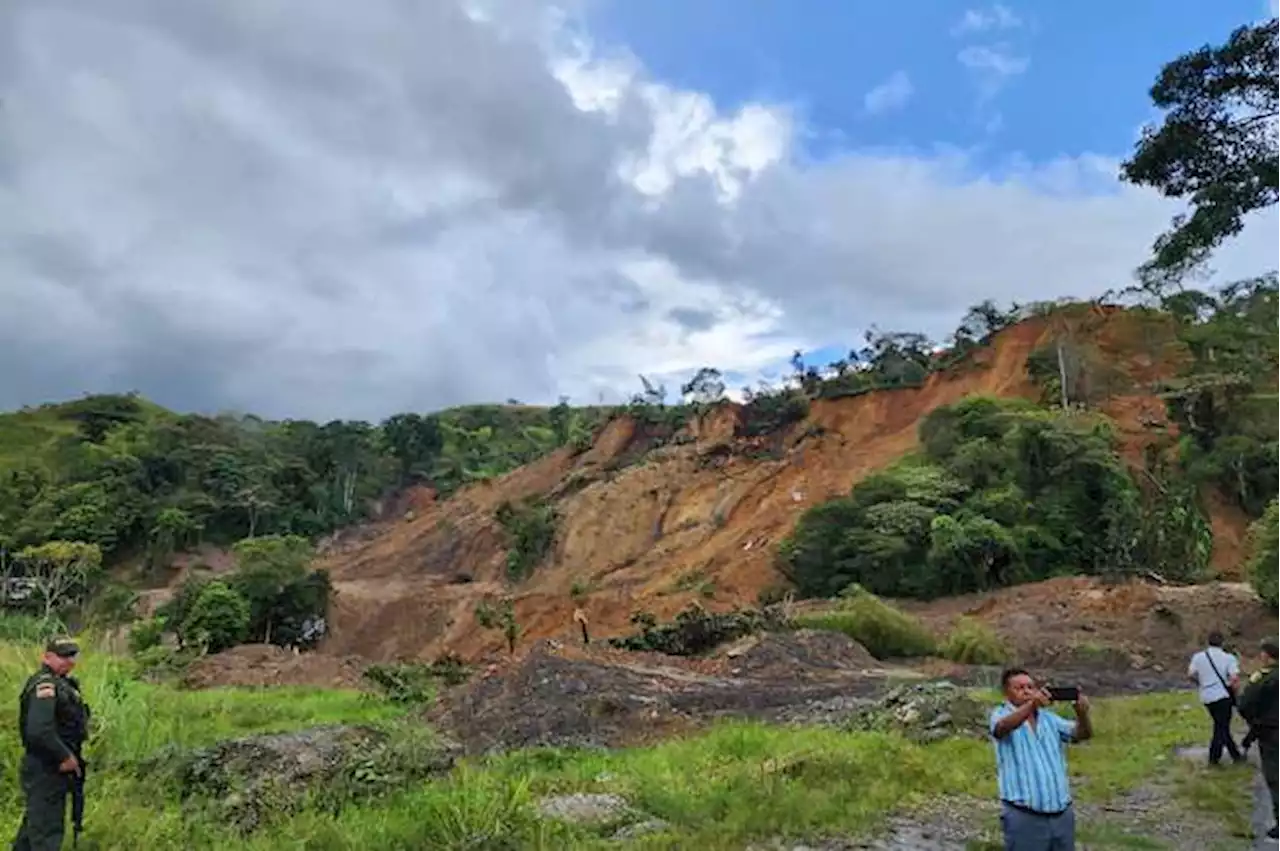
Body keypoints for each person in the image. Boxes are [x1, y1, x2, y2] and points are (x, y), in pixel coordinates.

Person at [989, 667, 1093, 851]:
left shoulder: (1050, 719)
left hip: (1061, 815)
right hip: (1024, 816)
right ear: (1006, 692)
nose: (1027, 691)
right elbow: (1001, 728)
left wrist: (1082, 714)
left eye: (1030, 687)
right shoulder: (1000, 714)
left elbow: (1082, 734)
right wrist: (1032, 706)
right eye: (1019, 688)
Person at [13, 636, 90, 851]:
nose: (69, 661)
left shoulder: (64, 684)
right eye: (63, 656)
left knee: (33, 831)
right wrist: (64, 756)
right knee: (46, 834)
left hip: (52, 767)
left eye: (72, 655)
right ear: (47, 657)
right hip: (46, 767)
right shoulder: (45, 685)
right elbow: (39, 730)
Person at [1237, 637, 1280, 840]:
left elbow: (1245, 704)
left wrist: (1255, 721)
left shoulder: (1263, 678)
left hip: (1271, 734)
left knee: (1275, 777)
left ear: (1266, 655)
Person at [1187, 630, 1245, 765]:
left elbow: (1190, 675)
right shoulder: (1229, 658)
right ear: (1222, 643)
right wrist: (1236, 694)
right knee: (1221, 727)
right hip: (1223, 696)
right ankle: (1214, 757)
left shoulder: (1198, 657)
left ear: (1208, 642)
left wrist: (1201, 683)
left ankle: (1234, 754)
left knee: (1220, 725)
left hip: (1206, 696)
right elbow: (1234, 679)